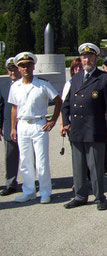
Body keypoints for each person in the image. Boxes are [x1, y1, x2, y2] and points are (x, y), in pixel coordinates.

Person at [62, 43, 107, 211]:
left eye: (90, 57)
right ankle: (79, 196)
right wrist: (65, 122)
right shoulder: (76, 78)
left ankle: (100, 197)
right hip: (77, 129)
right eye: (84, 57)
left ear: (96, 58)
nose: (87, 60)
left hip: (94, 129)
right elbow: (66, 103)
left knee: (95, 166)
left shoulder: (104, 78)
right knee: (78, 166)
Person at [8, 52, 62, 204]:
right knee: (25, 160)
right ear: (18, 68)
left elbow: (58, 101)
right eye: (22, 66)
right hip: (23, 125)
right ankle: (29, 191)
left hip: (39, 124)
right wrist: (13, 128)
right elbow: (14, 108)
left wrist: (52, 120)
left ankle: (45, 192)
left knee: (41, 161)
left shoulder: (43, 84)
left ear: (33, 66)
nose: (26, 68)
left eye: (29, 65)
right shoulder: (15, 87)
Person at [0, 57, 22, 196]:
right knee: (10, 156)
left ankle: (30, 182)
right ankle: (10, 183)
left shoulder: (29, 83)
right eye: (10, 70)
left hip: (26, 126)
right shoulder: (3, 86)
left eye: (15, 69)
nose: (12, 72)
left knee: (29, 157)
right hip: (9, 125)